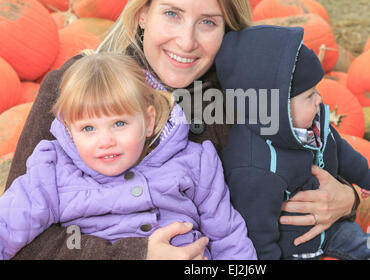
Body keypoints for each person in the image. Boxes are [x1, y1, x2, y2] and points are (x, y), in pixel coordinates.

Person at [6, 0, 359, 259]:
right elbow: (21, 238)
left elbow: (321, 153)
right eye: (172, 14)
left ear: (228, 29)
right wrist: (135, 253)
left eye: (208, 22)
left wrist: (350, 197)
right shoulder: (74, 88)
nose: (186, 41)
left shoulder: (246, 96)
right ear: (143, 14)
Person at [0, 52, 256, 260]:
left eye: (119, 123)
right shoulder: (53, 169)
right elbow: (9, 224)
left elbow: (227, 236)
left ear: (148, 120)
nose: (105, 141)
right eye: (88, 128)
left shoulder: (194, 161)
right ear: (69, 129)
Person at [215, 25, 370, 260]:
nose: (319, 99)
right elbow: (257, 233)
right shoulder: (255, 167)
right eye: (309, 95)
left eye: (316, 90)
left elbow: (339, 148)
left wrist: (365, 176)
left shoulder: (312, 124)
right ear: (274, 107)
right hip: (294, 245)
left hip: (332, 226)